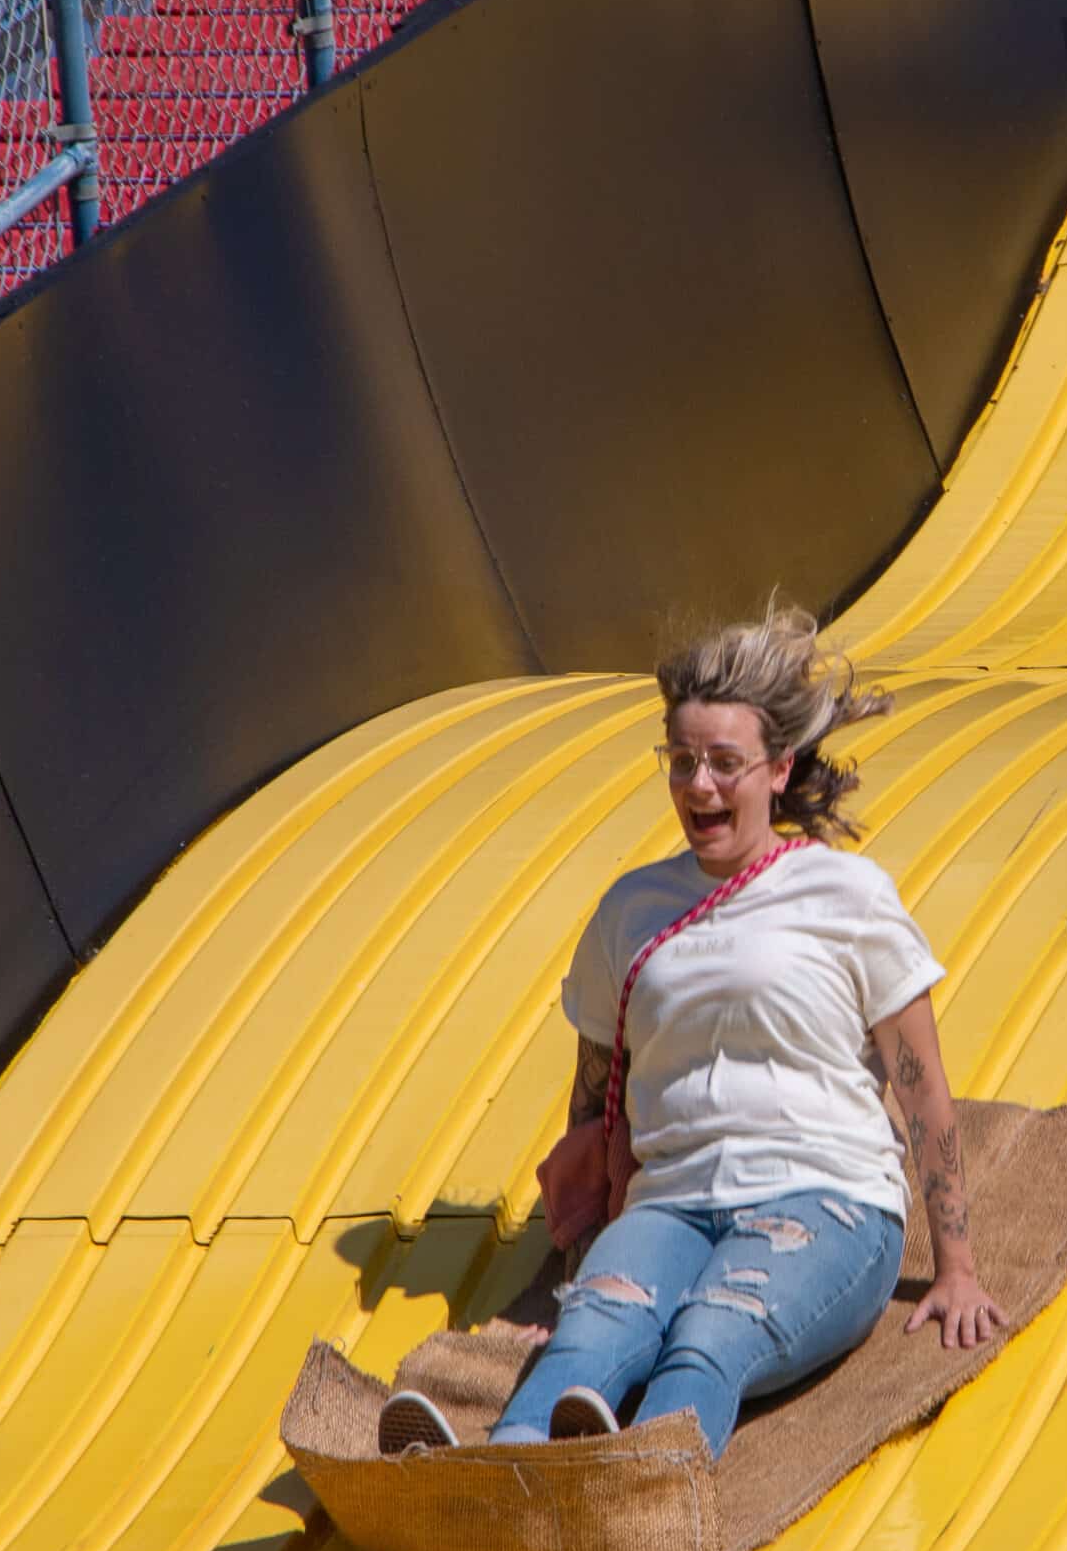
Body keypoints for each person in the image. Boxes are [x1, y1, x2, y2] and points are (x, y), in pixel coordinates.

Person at [377, 604, 1005, 1458]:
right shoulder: (630, 910)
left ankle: (643, 1476)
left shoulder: (846, 896)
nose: (699, 786)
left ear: (779, 768)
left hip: (824, 1199)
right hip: (672, 1201)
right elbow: (594, 1098)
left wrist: (958, 1268)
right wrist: (580, 1269)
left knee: (708, 1337)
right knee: (590, 1341)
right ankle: (493, 1477)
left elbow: (920, 1082)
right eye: (682, 763)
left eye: (723, 763)